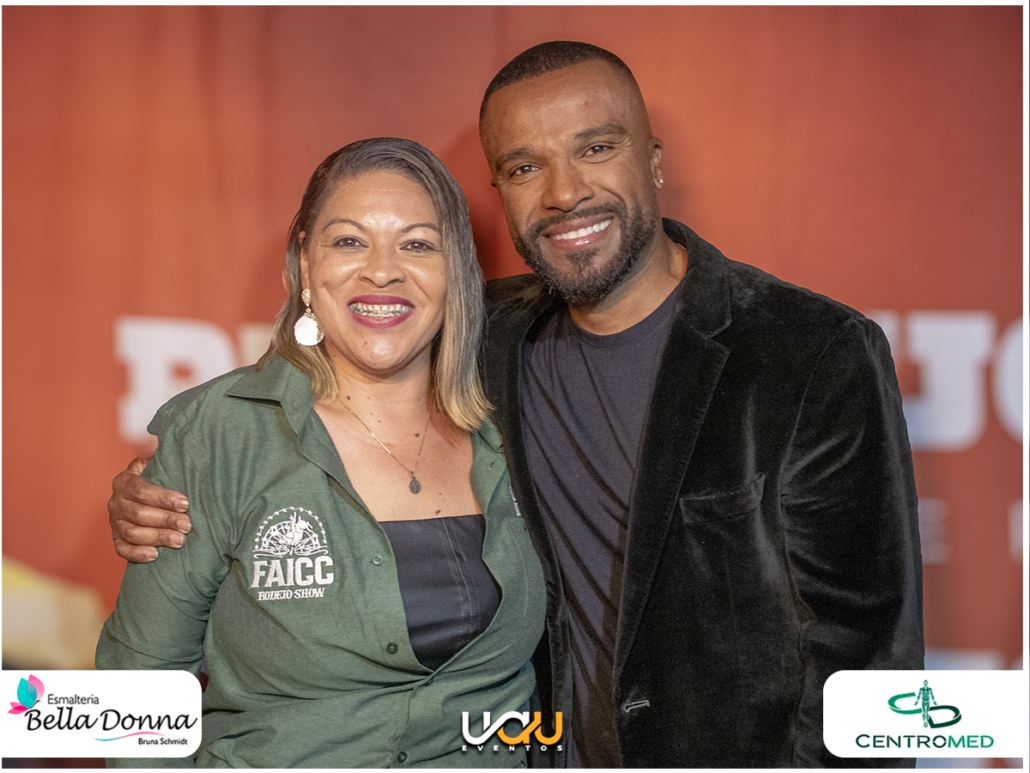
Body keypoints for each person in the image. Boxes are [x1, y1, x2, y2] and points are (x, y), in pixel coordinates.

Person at [108, 42, 924, 767]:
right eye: (526, 167)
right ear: (499, 188)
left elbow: (868, 648)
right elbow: (311, 394)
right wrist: (170, 481)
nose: (565, 192)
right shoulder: (484, 342)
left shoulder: (810, 351)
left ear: (653, 160)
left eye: (595, 148)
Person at [96, 138, 546, 768]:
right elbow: (135, 686)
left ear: (458, 273)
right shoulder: (221, 432)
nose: (382, 271)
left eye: (418, 244)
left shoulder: (521, 419)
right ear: (306, 265)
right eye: (349, 241)